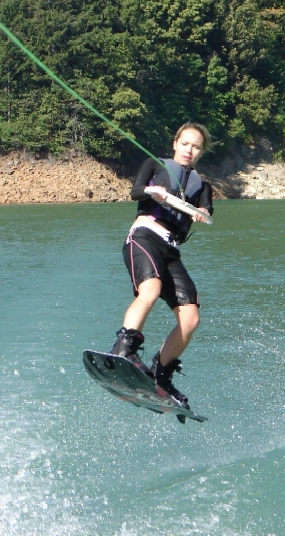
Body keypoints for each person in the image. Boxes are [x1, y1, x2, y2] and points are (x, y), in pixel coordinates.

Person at [110, 123, 213, 408]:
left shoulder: (203, 186)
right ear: (175, 144)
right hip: (144, 235)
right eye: (185, 144)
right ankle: (124, 348)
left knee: (190, 318)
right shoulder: (155, 164)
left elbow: (206, 210)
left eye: (196, 147)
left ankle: (161, 373)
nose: (189, 150)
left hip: (171, 248)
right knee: (151, 289)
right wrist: (152, 192)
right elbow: (135, 192)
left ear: (201, 152)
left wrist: (202, 212)